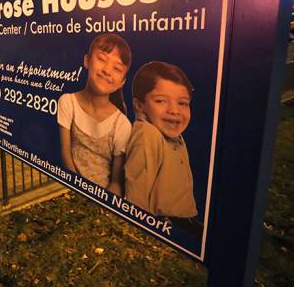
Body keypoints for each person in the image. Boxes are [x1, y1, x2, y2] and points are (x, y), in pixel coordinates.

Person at [124, 61, 201, 237]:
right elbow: (137, 188)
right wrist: (141, 227)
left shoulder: (172, 135)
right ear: (139, 105)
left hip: (182, 219)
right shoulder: (147, 133)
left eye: (183, 103)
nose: (174, 111)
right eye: (160, 101)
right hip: (163, 223)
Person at [57, 33, 132, 195]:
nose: (107, 70)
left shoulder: (122, 124)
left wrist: (104, 204)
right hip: (75, 192)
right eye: (102, 59)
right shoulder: (67, 102)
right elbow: (66, 153)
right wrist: (79, 192)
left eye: (117, 68)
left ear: (122, 83)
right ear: (87, 60)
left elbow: (117, 182)